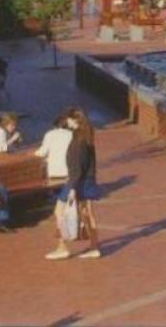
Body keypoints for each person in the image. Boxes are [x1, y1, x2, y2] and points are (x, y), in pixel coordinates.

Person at [46, 109, 102, 260]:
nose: (67, 122)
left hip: (77, 182)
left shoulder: (78, 140)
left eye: (69, 120)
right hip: (87, 180)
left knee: (59, 211)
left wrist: (72, 188)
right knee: (87, 213)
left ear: (75, 120)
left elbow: (77, 166)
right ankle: (94, 246)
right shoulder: (86, 136)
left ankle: (62, 247)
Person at [35, 111, 74, 181]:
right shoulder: (71, 135)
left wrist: (34, 153)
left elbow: (42, 152)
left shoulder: (49, 134)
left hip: (53, 171)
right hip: (68, 171)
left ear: (55, 125)